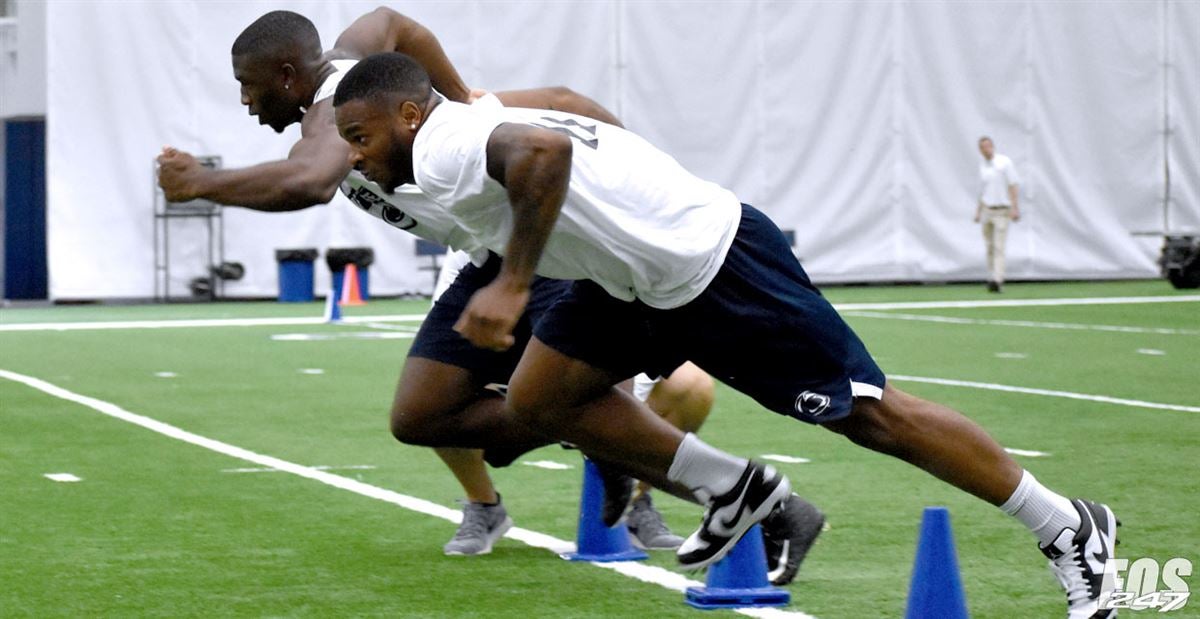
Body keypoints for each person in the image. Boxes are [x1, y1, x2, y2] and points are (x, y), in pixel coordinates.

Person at [332, 52, 1118, 618]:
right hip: (626, 283)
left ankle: (1066, 525)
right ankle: (737, 488)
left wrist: (510, 283)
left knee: (870, 414)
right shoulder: (448, 133)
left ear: (410, 112)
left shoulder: (445, 141)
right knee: (539, 399)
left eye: (361, 136)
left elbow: (544, 147)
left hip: (713, 265)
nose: (357, 158)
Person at [156, 10, 824, 580]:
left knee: (570, 395)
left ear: (285, 77)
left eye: (248, 88)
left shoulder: (334, 118)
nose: (245, 104)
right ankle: (603, 441)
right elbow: (395, 21)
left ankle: (721, 484)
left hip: (541, 247)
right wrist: (461, 96)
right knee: (422, 414)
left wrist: (200, 184)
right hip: (483, 251)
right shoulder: (357, 66)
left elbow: (306, 182)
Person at [973, 136, 1021, 293]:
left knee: (999, 246)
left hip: (1002, 210)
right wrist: (978, 211)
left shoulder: (1004, 163)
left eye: (988, 146)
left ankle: (997, 279)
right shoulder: (982, 167)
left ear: (992, 146)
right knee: (989, 246)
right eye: (983, 147)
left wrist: (1015, 207)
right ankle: (991, 275)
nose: (986, 149)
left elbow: (1013, 184)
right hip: (987, 209)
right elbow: (982, 190)